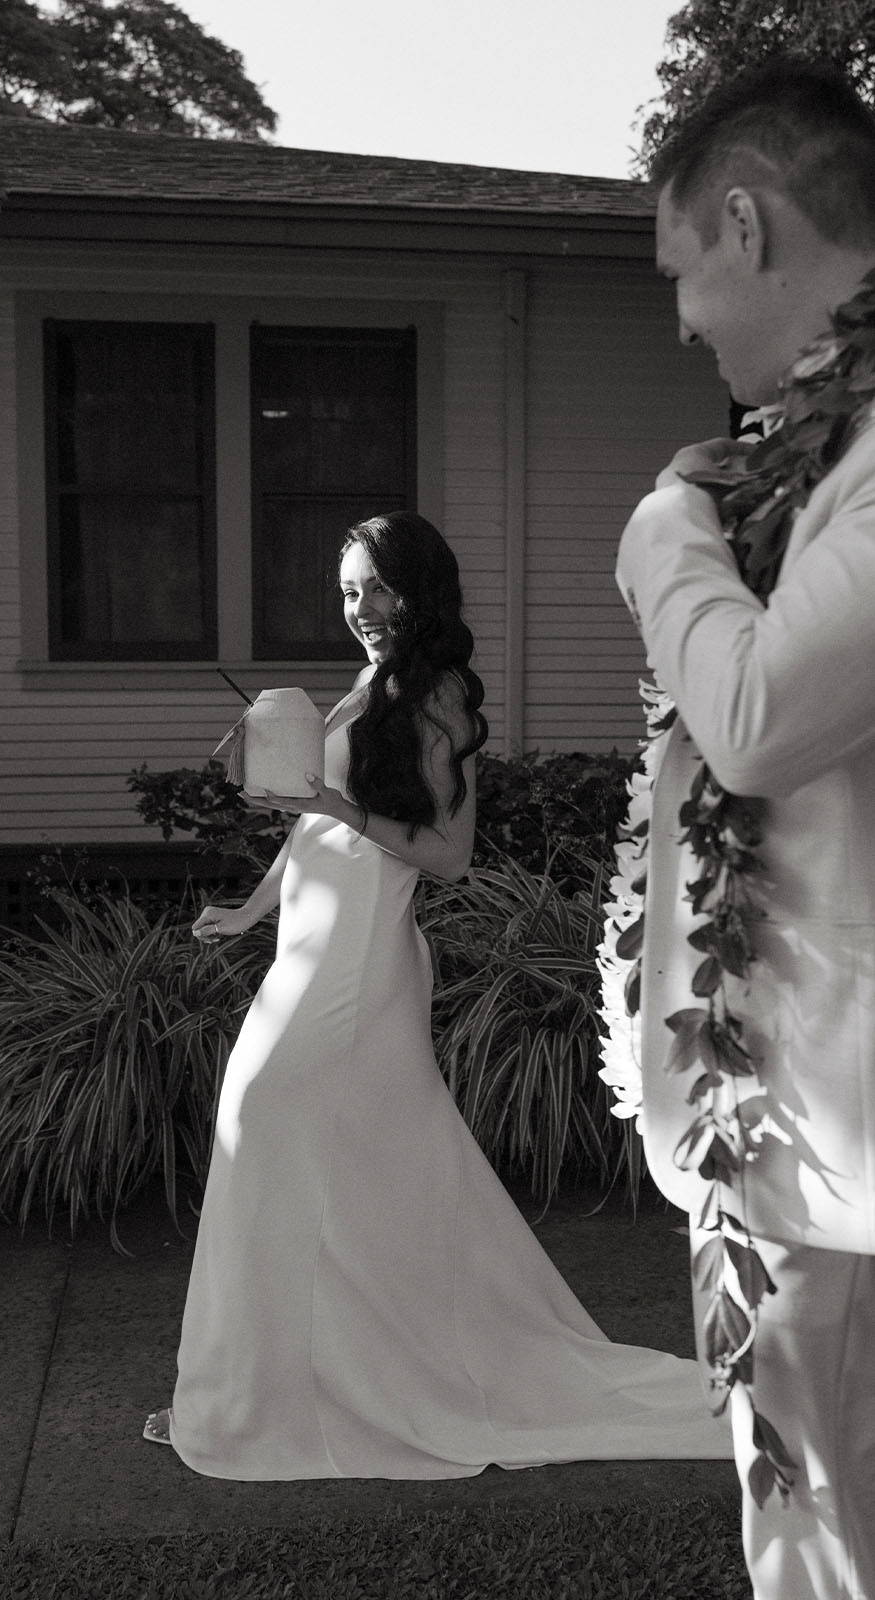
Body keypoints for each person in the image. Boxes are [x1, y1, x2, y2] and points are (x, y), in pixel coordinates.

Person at [144, 509, 731, 1479]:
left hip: (358, 960)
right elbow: (308, 829)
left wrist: (329, 800)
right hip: (304, 954)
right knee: (320, 1161)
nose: (361, 608)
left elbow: (447, 857)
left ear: (420, 587)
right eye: (345, 592)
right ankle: (254, 1389)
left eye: (377, 586)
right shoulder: (371, 683)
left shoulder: (438, 693)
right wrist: (248, 909)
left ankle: (253, 1396)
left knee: (264, 1120)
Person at [617, 59, 875, 1600]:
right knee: (812, 1498)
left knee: (815, 1519)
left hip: (826, 1101)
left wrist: (659, 533)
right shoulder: (798, 468)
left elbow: (761, 719)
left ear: (743, 222)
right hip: (793, 1105)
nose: (679, 318)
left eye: (679, 271)